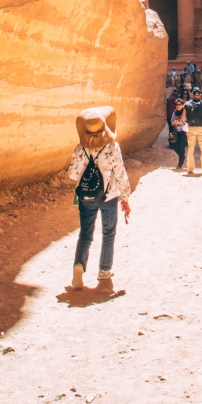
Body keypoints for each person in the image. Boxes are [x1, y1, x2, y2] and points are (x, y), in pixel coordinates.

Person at [68, 106, 131, 289]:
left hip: (86, 197)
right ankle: (104, 270)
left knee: (85, 234)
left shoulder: (81, 149)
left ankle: (79, 265)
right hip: (109, 196)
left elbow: (73, 174)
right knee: (108, 233)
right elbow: (120, 172)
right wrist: (125, 196)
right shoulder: (112, 147)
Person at [184, 87, 202, 175]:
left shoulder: (187, 104)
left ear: (192, 94)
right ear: (200, 95)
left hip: (191, 128)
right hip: (201, 128)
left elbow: (184, 118)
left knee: (190, 148)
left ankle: (190, 168)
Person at [170, 98, 188, 170]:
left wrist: (178, 122)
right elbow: (171, 122)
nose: (178, 106)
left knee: (181, 148)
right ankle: (182, 157)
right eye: (176, 104)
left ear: (182, 105)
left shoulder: (185, 112)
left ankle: (180, 164)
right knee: (173, 146)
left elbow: (184, 122)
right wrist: (174, 122)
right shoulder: (174, 112)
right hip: (176, 132)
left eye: (179, 104)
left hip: (183, 132)